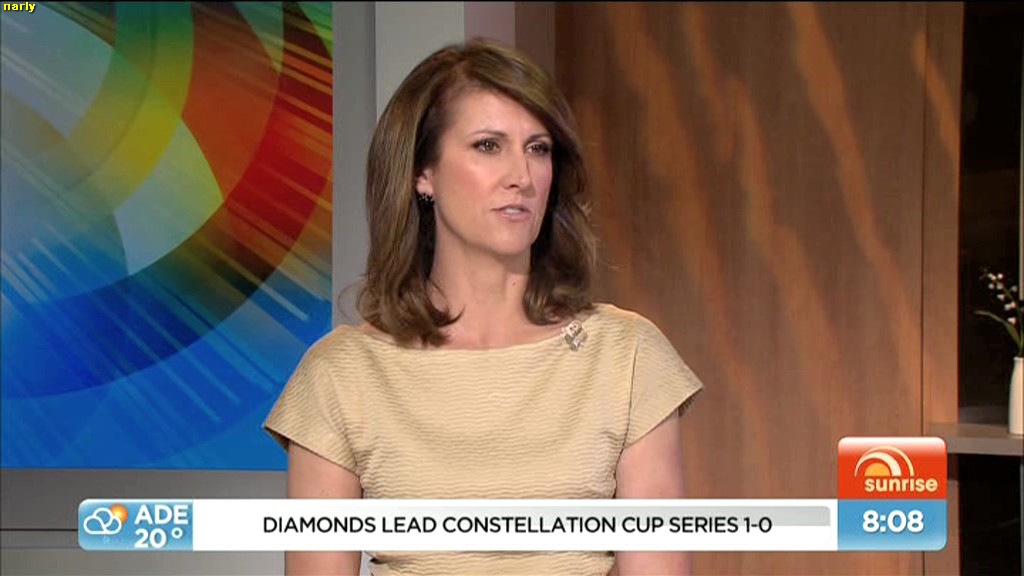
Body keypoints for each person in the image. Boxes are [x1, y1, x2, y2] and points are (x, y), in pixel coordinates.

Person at [264, 38, 704, 576]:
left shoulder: (627, 357)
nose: (521, 175)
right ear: (422, 173)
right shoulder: (341, 375)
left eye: (538, 148)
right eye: (488, 146)